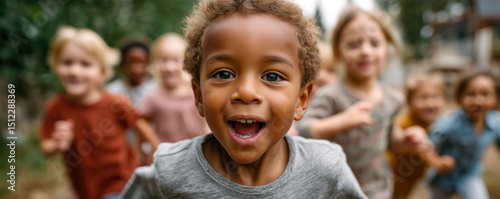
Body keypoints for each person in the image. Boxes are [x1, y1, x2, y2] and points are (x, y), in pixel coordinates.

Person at [121, 0, 366, 198]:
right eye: (224, 74)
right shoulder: (170, 171)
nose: (247, 92)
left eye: (272, 76)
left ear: (302, 100)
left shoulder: (325, 168)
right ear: (199, 97)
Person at [296, 6, 430, 198]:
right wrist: (343, 120)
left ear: (387, 47)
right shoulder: (331, 95)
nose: (365, 51)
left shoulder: (393, 98)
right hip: (333, 189)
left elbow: (387, 137)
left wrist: (406, 140)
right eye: (353, 45)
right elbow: (304, 130)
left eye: (375, 43)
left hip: (377, 189)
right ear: (338, 53)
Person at [39, 26, 161, 199]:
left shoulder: (116, 102)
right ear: (56, 64)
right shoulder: (56, 106)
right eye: (67, 63)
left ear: (102, 72)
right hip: (87, 188)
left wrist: (158, 165)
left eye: (85, 64)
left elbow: (148, 134)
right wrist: (57, 144)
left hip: (123, 183)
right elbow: (46, 147)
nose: (75, 71)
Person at [426, 69, 500, 199]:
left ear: (497, 97)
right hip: (443, 179)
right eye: (471, 94)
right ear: (460, 97)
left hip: (470, 176)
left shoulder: (495, 123)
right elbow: (427, 145)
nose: (479, 101)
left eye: (486, 94)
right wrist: (436, 161)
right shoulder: (448, 124)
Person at [386, 72, 447, 198]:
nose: (430, 104)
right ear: (409, 102)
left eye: (436, 97)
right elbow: (422, 149)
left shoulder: (437, 124)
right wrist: (437, 162)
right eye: (423, 98)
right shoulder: (404, 124)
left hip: (410, 180)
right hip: (391, 179)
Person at [138, 33, 208, 143]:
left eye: (176, 60)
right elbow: (140, 121)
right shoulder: (154, 96)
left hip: (193, 153)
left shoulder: (195, 91)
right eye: (164, 60)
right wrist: (154, 144)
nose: (169, 67)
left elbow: (206, 121)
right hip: (167, 156)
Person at [106, 37, 155, 107]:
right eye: (130, 62)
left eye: (141, 62)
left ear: (149, 63)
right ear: (122, 64)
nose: (136, 69)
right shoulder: (112, 91)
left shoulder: (157, 90)